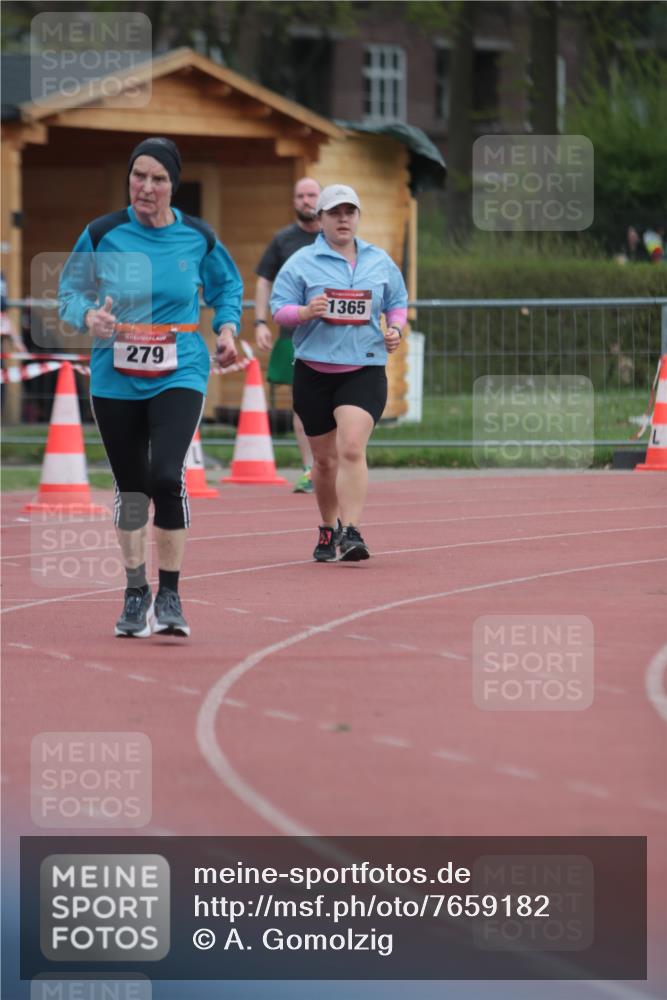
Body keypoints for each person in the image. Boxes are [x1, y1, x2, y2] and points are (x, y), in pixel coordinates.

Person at [59, 137, 242, 637]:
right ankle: (136, 591)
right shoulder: (102, 233)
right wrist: (87, 315)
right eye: (138, 175)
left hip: (179, 368)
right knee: (133, 487)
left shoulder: (197, 238)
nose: (146, 186)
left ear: (173, 187)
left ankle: (171, 595)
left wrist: (227, 329)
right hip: (115, 376)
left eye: (158, 178)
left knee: (166, 474)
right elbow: (69, 292)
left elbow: (227, 287)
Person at [270, 183, 408, 562]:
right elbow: (278, 307)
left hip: (363, 366)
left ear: (358, 217)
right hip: (314, 369)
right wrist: (304, 312)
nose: (343, 219)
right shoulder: (300, 263)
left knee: (350, 446)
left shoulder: (379, 261)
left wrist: (395, 329)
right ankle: (328, 528)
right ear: (322, 219)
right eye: (335, 213)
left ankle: (352, 530)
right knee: (325, 461)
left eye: (350, 212)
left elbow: (397, 302)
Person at [254, 177, 321, 494]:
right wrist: (260, 321)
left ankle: (337, 464)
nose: (306, 200)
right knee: (302, 406)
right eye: (300, 195)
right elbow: (264, 280)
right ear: (294, 201)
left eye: (312, 195)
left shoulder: (333, 237)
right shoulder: (283, 240)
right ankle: (310, 469)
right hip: (293, 336)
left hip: (335, 337)